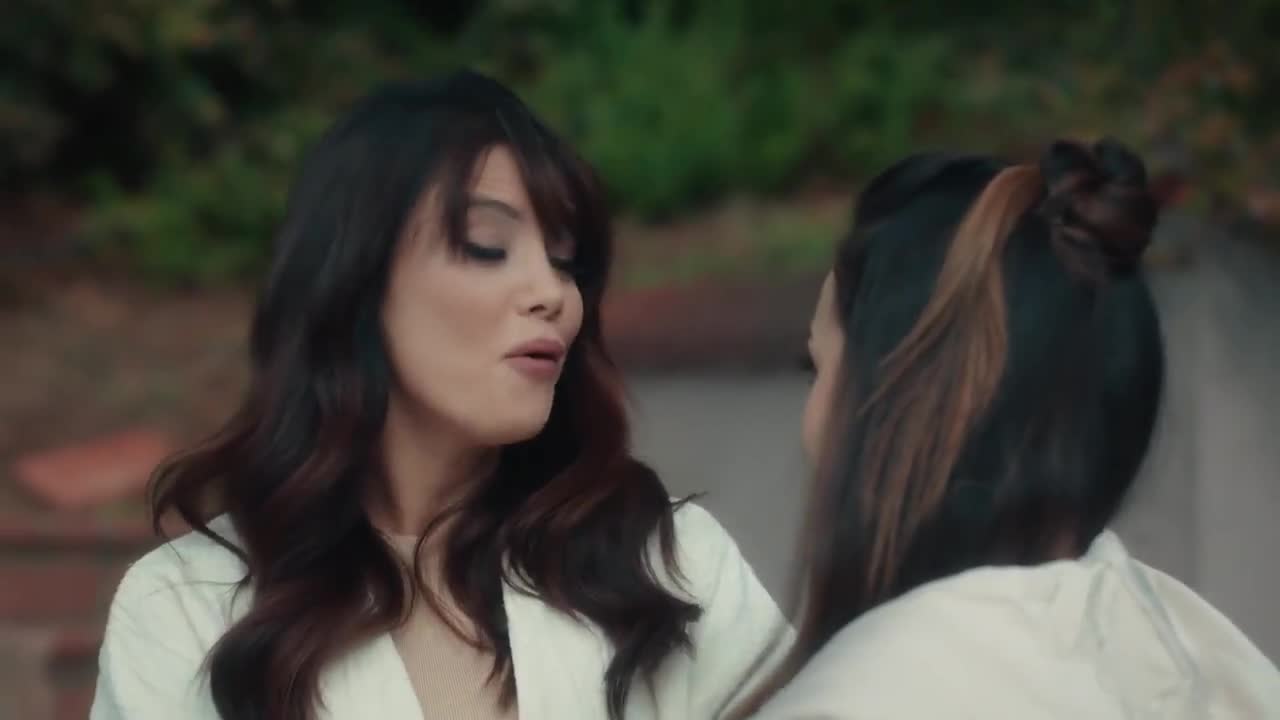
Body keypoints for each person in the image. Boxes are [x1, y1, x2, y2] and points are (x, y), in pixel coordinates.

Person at [90, 70, 791, 720]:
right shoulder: (187, 607)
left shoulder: (666, 563)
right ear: (355, 282)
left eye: (566, 262)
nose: (552, 293)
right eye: (487, 246)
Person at [736, 139, 1280, 718]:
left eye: (818, 368)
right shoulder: (1200, 656)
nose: (811, 419)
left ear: (902, 407)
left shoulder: (869, 700)